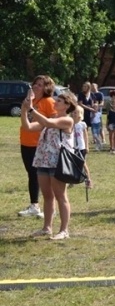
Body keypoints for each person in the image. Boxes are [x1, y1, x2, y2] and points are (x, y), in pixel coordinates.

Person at [22, 89, 80, 240]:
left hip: (58, 162)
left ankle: (64, 230)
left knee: (61, 196)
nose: (55, 102)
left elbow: (47, 123)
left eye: (59, 101)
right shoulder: (50, 117)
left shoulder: (67, 120)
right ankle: (47, 228)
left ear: (67, 105)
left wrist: (31, 108)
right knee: (47, 196)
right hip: (43, 160)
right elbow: (28, 127)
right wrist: (24, 110)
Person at [18, 75, 56, 218]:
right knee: (31, 174)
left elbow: (52, 122)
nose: (36, 86)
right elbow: (25, 121)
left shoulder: (49, 101)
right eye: (35, 83)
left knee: (41, 175)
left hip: (40, 144)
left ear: (47, 88)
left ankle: (44, 206)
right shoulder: (32, 101)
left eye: (40, 85)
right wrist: (27, 103)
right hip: (26, 141)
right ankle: (35, 205)